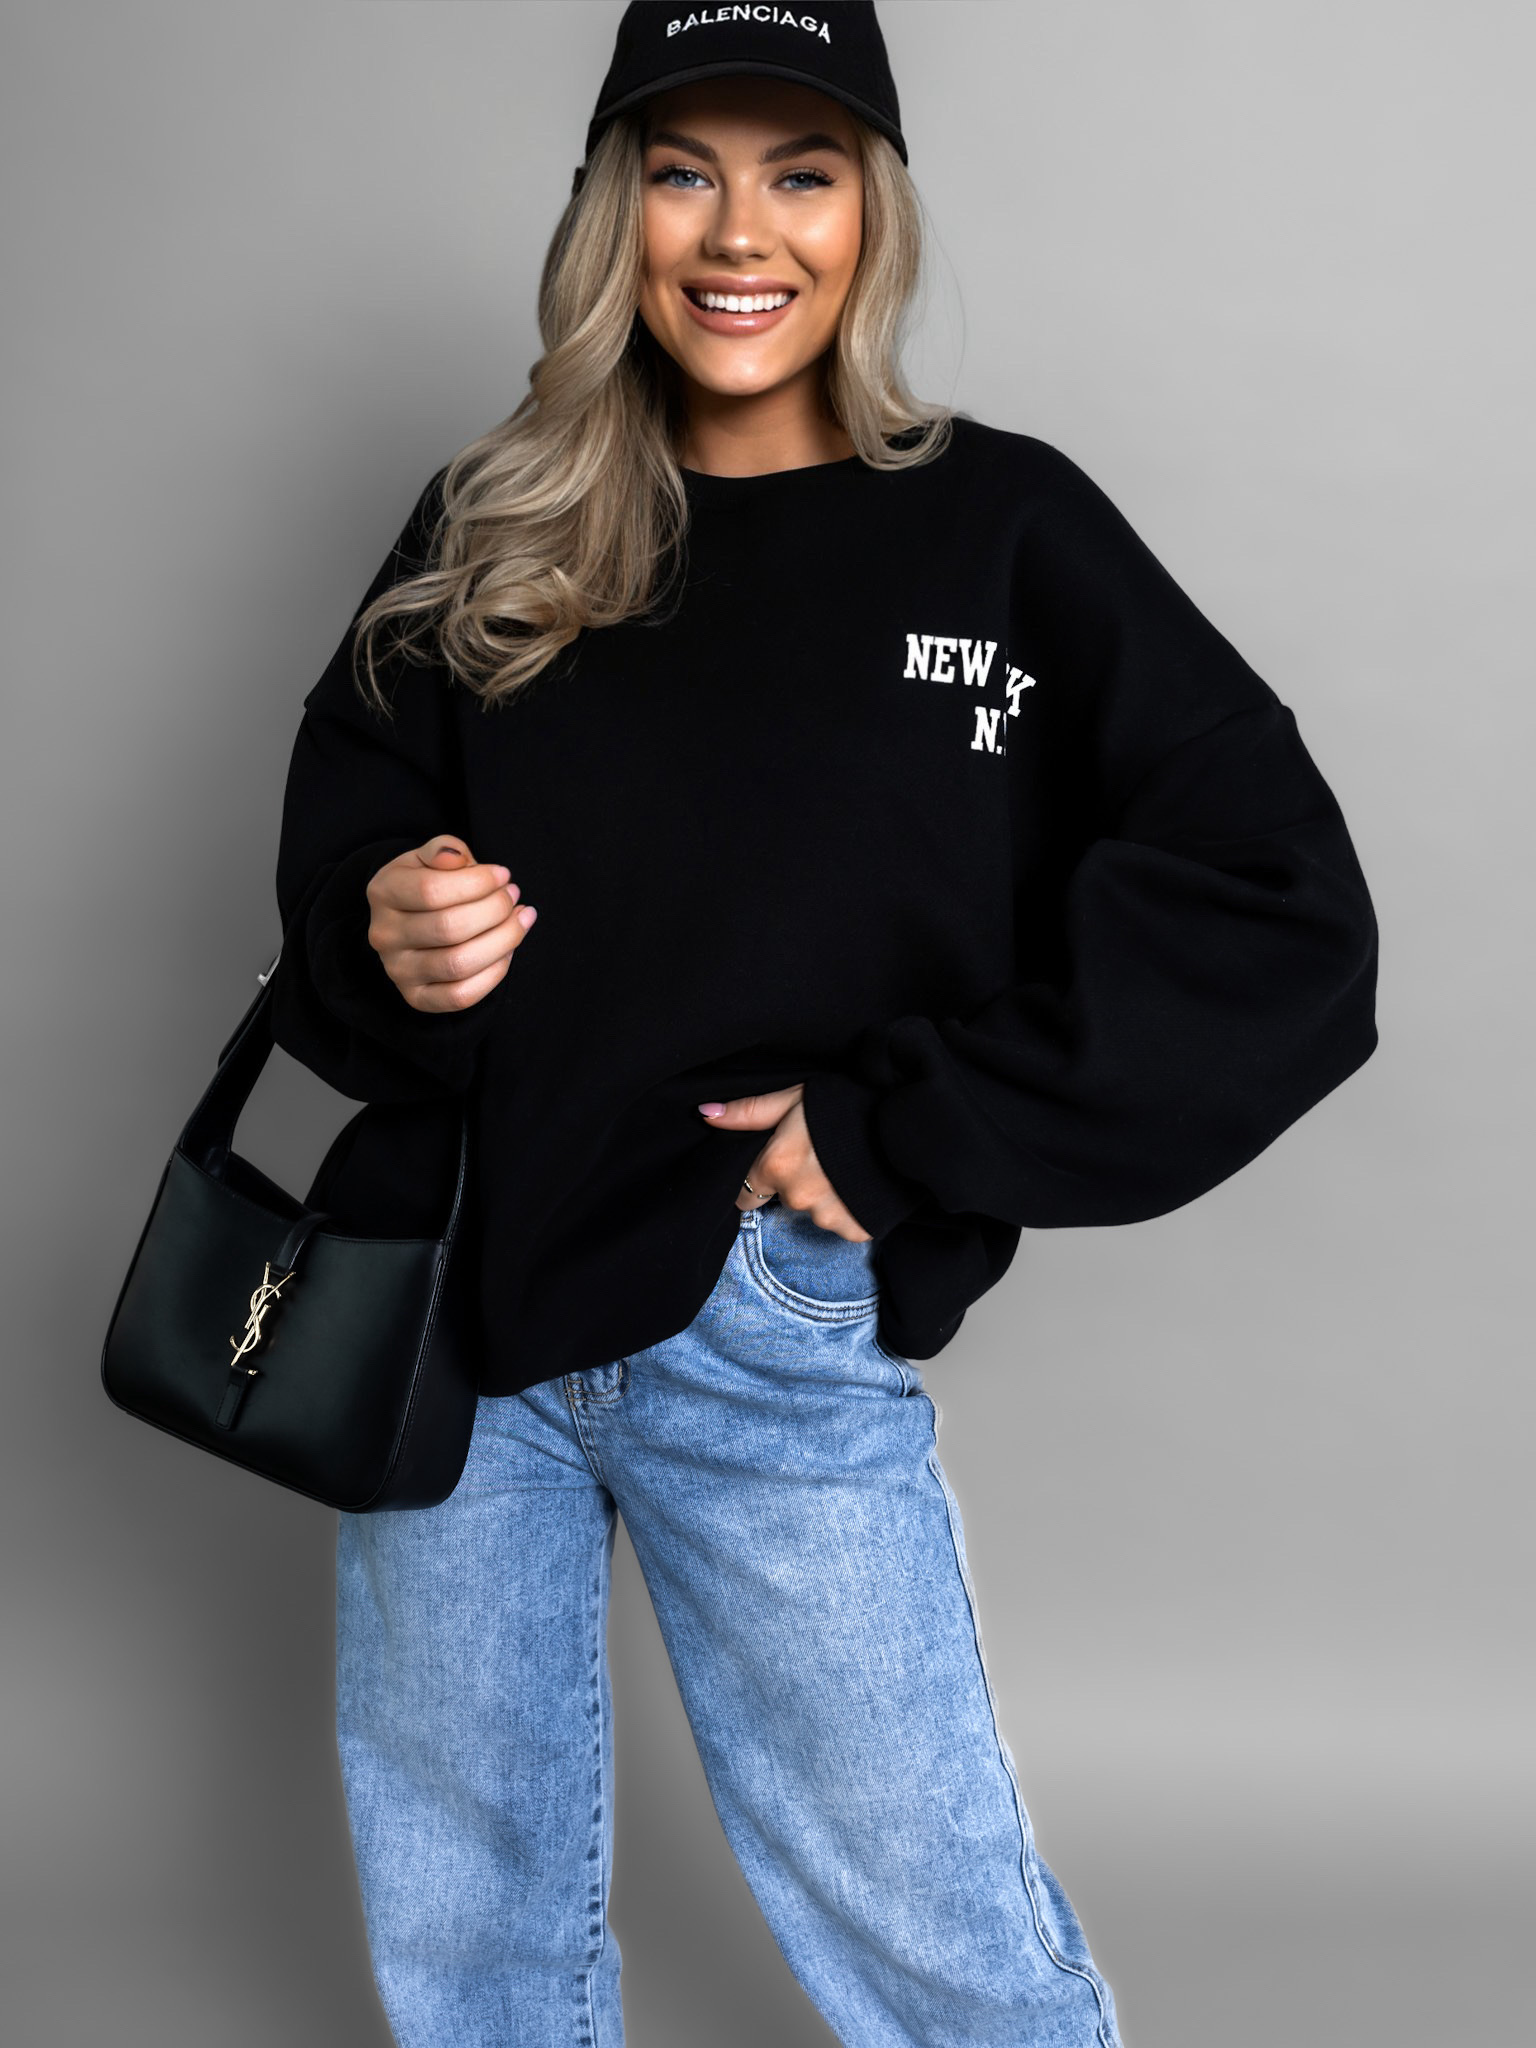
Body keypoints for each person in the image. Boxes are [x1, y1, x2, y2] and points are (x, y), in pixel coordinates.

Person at [269, 5, 1378, 2043]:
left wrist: (900, 1132)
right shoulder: (492, 520)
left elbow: (1277, 902)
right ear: (611, 210)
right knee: (470, 1940)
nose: (738, 231)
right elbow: (343, 869)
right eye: (681, 170)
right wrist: (380, 922)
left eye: (803, 170)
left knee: (942, 1944)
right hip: (445, 1305)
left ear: (875, 212)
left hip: (760, 1306)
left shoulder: (1003, 529)